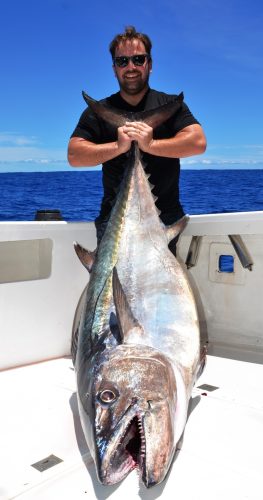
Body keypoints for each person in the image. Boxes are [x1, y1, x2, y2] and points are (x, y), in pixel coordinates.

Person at [68, 26, 206, 255]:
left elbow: (198, 142)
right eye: (122, 61)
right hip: (114, 221)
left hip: (165, 220)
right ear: (114, 69)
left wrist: (150, 145)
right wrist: (118, 146)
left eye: (138, 59)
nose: (130, 67)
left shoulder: (170, 104)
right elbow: (74, 155)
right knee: (116, 286)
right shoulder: (98, 112)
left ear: (149, 65)